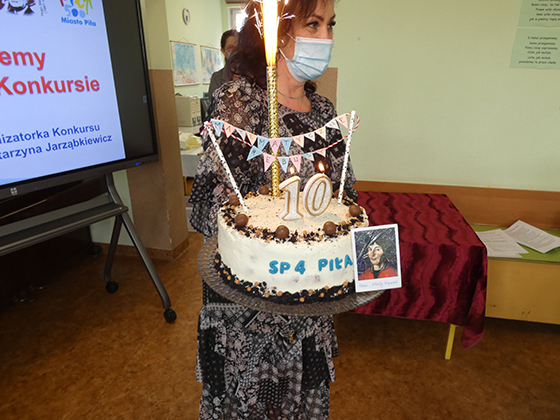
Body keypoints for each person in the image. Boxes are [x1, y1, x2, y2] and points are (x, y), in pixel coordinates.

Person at [190, 0, 355, 418]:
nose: (326, 38)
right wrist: (267, 214)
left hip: (312, 303)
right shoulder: (238, 102)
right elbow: (206, 206)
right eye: (313, 24)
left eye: (331, 25)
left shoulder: (324, 112)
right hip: (247, 315)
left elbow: (346, 197)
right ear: (278, 33)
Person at [207, 29, 238, 101]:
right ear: (223, 51)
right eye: (230, 47)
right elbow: (215, 103)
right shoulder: (217, 78)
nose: (235, 51)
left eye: (237, 47)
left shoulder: (250, 75)